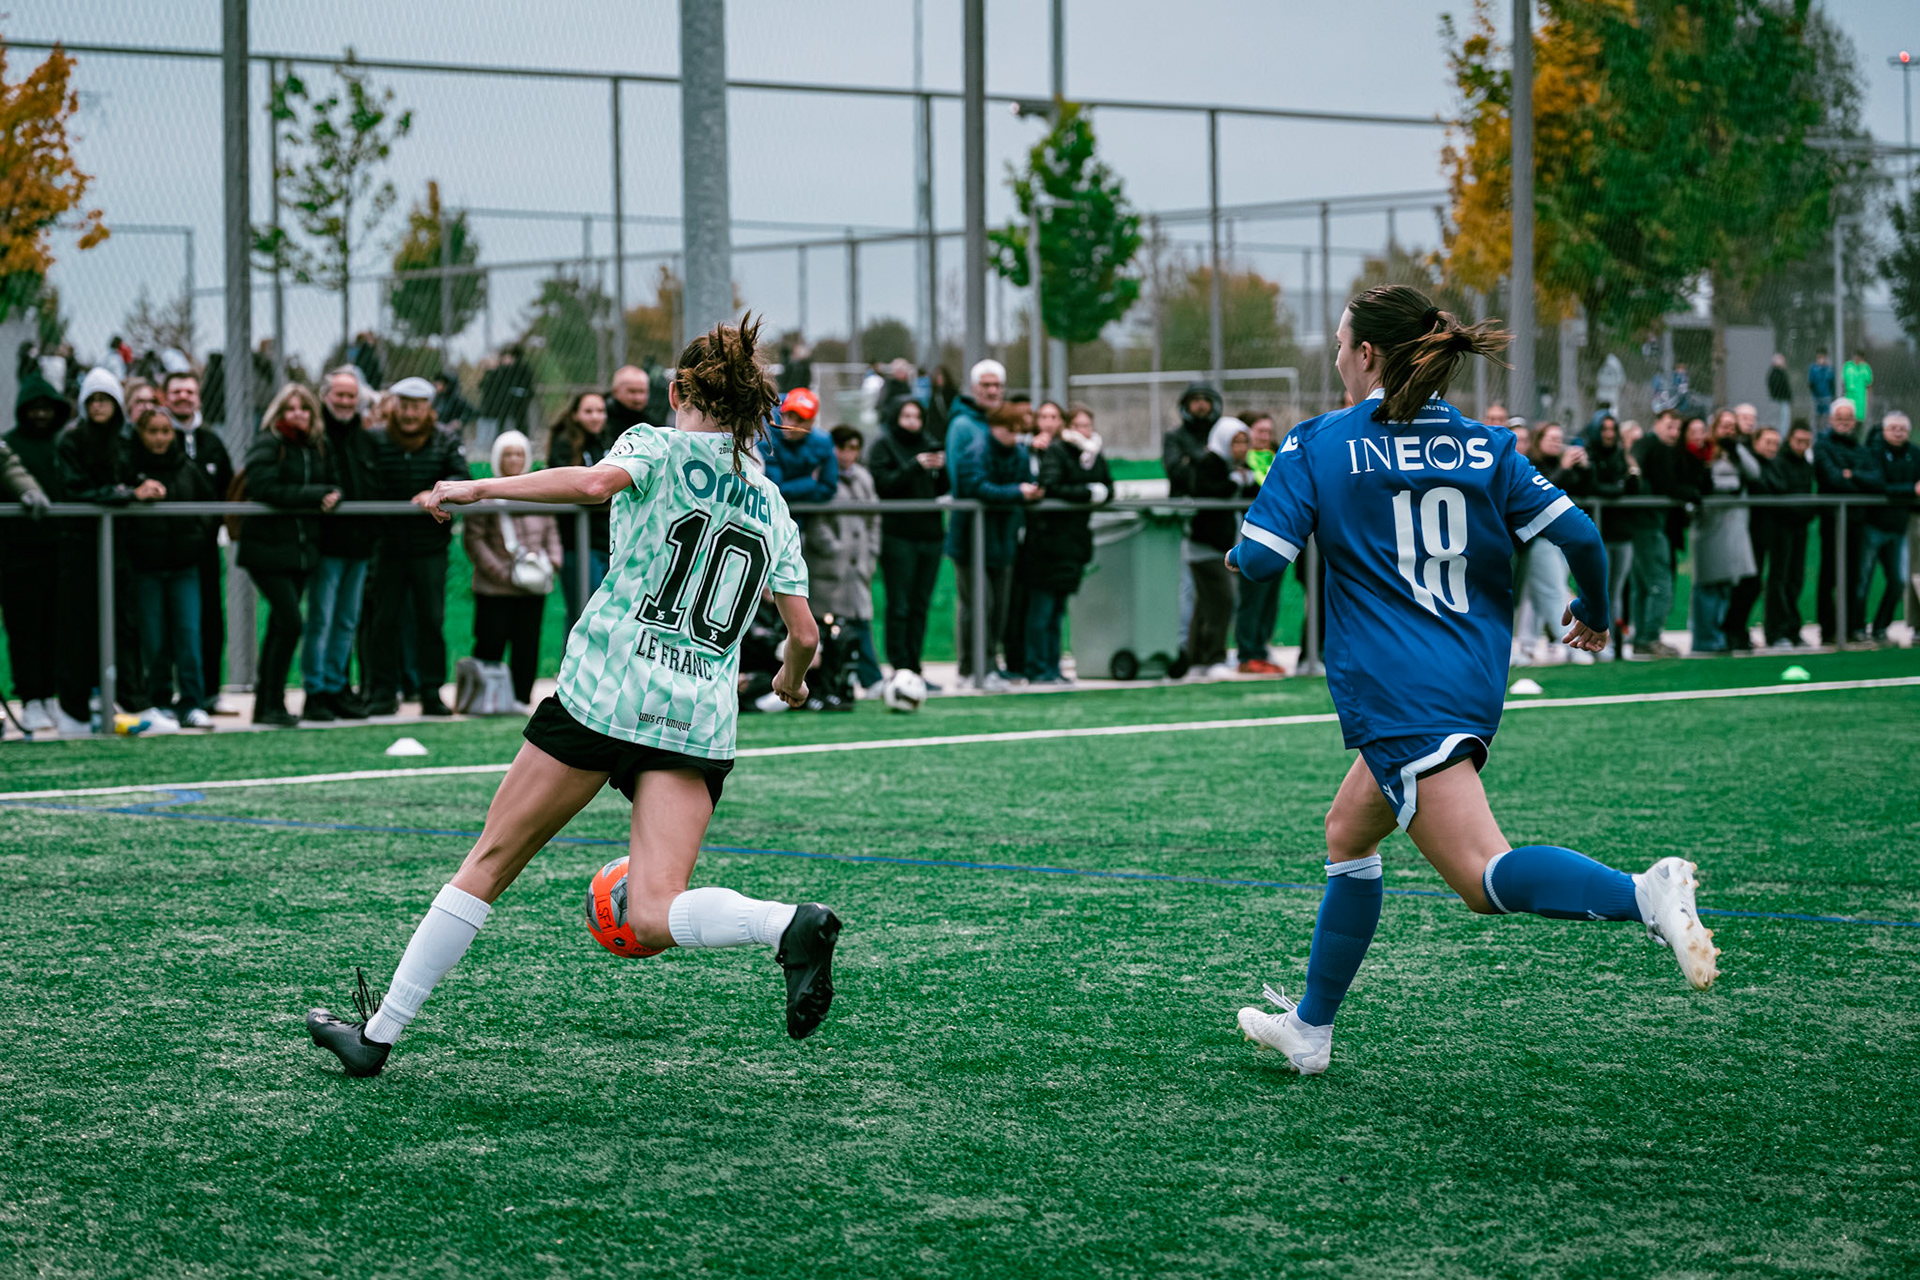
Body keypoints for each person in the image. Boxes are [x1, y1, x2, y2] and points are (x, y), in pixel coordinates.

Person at [305, 315, 840, 1078]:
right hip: (696, 717)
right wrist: (789, 678)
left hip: (606, 693)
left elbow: (592, 484)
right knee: (652, 914)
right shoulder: (772, 504)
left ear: (678, 389)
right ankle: (786, 924)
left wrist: (480, 485)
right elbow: (806, 636)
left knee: (489, 862)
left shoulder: (653, 443)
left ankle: (379, 1035)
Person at [1227, 285, 1718, 1076]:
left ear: (1366, 355)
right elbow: (1582, 534)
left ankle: (1645, 893)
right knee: (1347, 833)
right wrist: (1594, 610)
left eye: (1342, 347)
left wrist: (1234, 549)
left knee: (1483, 878)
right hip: (1468, 678)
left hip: (1397, 692)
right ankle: (1310, 1028)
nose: (1339, 361)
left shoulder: (1318, 442)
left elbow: (1259, 562)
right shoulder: (1486, 447)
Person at [364, 378, 470, 716]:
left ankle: (430, 691)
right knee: (383, 620)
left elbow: (461, 475)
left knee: (431, 619)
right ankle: (382, 691)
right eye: (404, 405)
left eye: (417, 406)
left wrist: (433, 491)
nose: (410, 414)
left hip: (429, 546)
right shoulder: (375, 438)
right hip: (385, 545)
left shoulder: (445, 439)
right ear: (394, 406)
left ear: (428, 409)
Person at [236, 384, 339, 727]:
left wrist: (331, 494)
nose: (298, 414)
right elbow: (264, 488)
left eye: (304, 408)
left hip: (300, 552)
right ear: (279, 413)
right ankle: (270, 700)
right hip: (265, 550)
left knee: (282, 626)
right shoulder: (268, 443)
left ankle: (268, 705)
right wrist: (315, 495)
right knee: (292, 622)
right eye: (291, 408)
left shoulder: (317, 447)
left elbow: (333, 483)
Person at [56, 370, 152, 721]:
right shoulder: (71, 441)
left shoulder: (125, 442)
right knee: (80, 626)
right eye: (93, 400)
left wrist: (144, 486)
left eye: (105, 400)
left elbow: (131, 477)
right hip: (81, 547)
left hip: (120, 547)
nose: (99, 406)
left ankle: (130, 701)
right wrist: (124, 496)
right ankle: (76, 708)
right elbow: (74, 489)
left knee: (125, 622)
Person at [120, 406, 219, 726]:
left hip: (183, 568)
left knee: (189, 636)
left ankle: (192, 702)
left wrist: (194, 540)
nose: (160, 438)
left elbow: (209, 508)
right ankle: (160, 700)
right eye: (153, 431)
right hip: (146, 569)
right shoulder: (130, 468)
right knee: (154, 639)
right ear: (141, 434)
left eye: (166, 431)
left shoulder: (187, 468)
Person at [464, 430, 563, 706]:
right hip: (495, 586)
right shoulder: (486, 494)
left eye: (519, 453)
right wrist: (500, 571)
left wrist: (553, 561)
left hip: (533, 583)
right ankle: (485, 699)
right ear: (497, 458)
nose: (514, 459)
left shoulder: (539, 493)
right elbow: (475, 539)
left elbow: (551, 530)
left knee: (527, 643)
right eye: (508, 454)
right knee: (490, 640)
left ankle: (521, 696)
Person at [303, 369, 379, 721]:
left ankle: (337, 686)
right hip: (327, 545)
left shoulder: (365, 438)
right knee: (321, 618)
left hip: (359, 545)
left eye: (351, 396)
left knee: (347, 620)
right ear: (326, 396)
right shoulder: (316, 438)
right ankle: (315, 690)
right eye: (339, 396)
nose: (346, 402)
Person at [161, 371, 235, 712]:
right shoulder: (158, 438)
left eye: (189, 391)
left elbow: (227, 491)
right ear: (165, 397)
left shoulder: (211, 442)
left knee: (209, 620)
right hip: (164, 549)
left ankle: (208, 693)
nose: (183, 397)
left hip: (203, 548)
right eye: (176, 391)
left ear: (198, 398)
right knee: (169, 624)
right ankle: (169, 694)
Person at [1026, 403, 1113, 683]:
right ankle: (1038, 667)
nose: (1082, 431)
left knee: (1057, 610)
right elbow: (1051, 485)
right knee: (1042, 610)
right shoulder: (1057, 451)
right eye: (1077, 425)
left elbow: (1108, 486)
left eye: (1086, 425)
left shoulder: (1093, 455)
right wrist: (1085, 492)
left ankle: (1053, 667)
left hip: (1074, 543)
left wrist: (1099, 492)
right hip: (1049, 542)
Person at [3, 371, 70, 732]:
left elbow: (8, 467)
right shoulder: (11, 441)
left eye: (47, 408)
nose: (41, 415)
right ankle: (29, 697)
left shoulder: (62, 446)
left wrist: (30, 492)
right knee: (25, 630)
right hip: (17, 556)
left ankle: (49, 696)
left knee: (54, 630)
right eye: (34, 408)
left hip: (56, 554)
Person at [866, 394, 947, 683]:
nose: (913, 422)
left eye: (917, 416)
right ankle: (900, 668)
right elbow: (883, 485)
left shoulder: (929, 442)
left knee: (919, 605)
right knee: (899, 605)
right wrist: (914, 465)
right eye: (907, 416)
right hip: (898, 535)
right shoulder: (883, 445)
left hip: (931, 535)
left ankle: (915, 667)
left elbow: (943, 487)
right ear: (896, 417)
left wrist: (943, 465)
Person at [804, 425, 882, 692]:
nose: (848, 454)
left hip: (858, 565)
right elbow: (815, 518)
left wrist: (870, 552)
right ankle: (830, 680)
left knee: (860, 620)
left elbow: (874, 519)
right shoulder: (822, 475)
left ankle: (870, 678)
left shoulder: (863, 477)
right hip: (829, 567)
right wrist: (833, 547)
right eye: (842, 448)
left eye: (854, 448)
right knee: (829, 623)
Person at [944, 359, 1006, 680]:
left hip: (999, 528)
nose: (992, 391)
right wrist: (1009, 491)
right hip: (969, 527)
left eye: (997, 385)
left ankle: (990, 663)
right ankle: (973, 667)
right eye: (986, 385)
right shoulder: (963, 425)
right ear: (974, 388)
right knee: (976, 602)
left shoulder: (999, 423)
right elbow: (965, 480)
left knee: (997, 603)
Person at [1513, 423, 1591, 665]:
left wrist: (1584, 468)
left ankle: (1525, 647)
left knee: (1535, 596)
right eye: (1551, 438)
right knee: (1551, 592)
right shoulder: (1530, 465)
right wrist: (1564, 468)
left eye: (1560, 438)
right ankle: (1571, 643)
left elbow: (1586, 488)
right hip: (1531, 540)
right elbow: (1542, 495)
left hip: (1551, 540)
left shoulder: (1553, 463)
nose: (1557, 443)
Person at [1185, 416, 1257, 677]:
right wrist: (1233, 482)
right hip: (1205, 547)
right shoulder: (1210, 463)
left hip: (1224, 545)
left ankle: (1196, 659)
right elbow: (1206, 492)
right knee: (1222, 600)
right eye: (1235, 442)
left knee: (1207, 604)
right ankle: (1213, 657)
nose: (1241, 448)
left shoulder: (1241, 467)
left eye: (1244, 442)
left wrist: (1247, 480)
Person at [1688, 409, 1761, 654]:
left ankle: (1721, 636)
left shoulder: (1738, 452)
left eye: (1733, 426)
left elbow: (1754, 473)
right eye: (1724, 426)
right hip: (1710, 528)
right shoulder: (1705, 451)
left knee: (1727, 585)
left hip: (1735, 529)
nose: (1729, 430)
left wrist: (1737, 449)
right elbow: (1703, 482)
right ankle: (1705, 640)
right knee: (1708, 585)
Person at [1567, 413, 1638, 649]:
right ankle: (1587, 641)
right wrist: (1614, 487)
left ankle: (1611, 643)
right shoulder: (1589, 455)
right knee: (1595, 592)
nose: (1609, 434)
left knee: (1615, 592)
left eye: (1612, 429)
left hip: (1622, 533)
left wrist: (1630, 478)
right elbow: (1592, 487)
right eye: (1604, 429)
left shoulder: (1621, 455)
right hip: (1598, 535)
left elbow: (1629, 489)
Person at [1813, 399, 1879, 645]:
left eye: (1848, 418)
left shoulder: (1861, 449)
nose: (1843, 422)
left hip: (1856, 521)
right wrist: (1854, 479)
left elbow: (1876, 480)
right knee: (1829, 575)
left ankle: (1852, 626)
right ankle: (1828, 629)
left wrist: (1852, 474)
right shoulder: (1822, 445)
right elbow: (1832, 478)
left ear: (1854, 421)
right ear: (1831, 420)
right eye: (1839, 418)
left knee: (1853, 575)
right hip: (1832, 520)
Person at [1626, 410, 1691, 658]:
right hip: (1647, 525)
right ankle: (1649, 638)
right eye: (1669, 426)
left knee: (1644, 586)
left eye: (1677, 428)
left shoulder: (1664, 449)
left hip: (1651, 525)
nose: (1674, 432)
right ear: (1657, 424)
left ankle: (1642, 638)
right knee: (1659, 585)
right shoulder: (1649, 445)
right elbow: (1661, 484)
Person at [546, 390, 615, 625]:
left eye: (600, 411)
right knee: (583, 615)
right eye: (589, 411)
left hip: (608, 540)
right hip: (578, 543)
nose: (596, 417)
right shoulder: (564, 444)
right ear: (575, 415)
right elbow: (575, 488)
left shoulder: (610, 442)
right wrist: (605, 495)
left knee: (606, 616)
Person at [1233, 413, 1284, 673]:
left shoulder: (1280, 457)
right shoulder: (1240, 461)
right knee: (1251, 596)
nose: (1264, 436)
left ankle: (1262, 649)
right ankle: (1247, 652)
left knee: (1270, 597)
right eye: (1259, 431)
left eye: (1268, 431)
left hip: (1279, 538)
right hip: (1251, 537)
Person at [1759, 421, 1816, 647]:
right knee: (1778, 580)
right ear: (1789, 439)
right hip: (1781, 529)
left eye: (1806, 442)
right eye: (1798, 441)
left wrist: (1806, 512)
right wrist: (1801, 509)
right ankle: (1776, 632)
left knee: (1795, 580)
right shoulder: (1779, 462)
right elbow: (1780, 495)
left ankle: (1793, 629)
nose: (1802, 446)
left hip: (1800, 529)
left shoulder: (1806, 464)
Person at [1860, 411, 1915, 643]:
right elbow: (1879, 485)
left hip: (1898, 527)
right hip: (1873, 526)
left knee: (1899, 580)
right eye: (1893, 428)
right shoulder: (1873, 452)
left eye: (1902, 429)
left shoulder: (1915, 454)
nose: (1898, 432)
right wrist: (1910, 489)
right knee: (1863, 580)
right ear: (1884, 431)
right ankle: (1856, 628)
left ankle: (1881, 626)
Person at [1726, 426, 1782, 651]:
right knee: (1746, 585)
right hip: (1745, 534)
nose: (1772, 448)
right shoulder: (1750, 464)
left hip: (1764, 534)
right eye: (1767, 442)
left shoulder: (1775, 465)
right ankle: (1732, 631)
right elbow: (1762, 486)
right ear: (1756, 442)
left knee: (1754, 584)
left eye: (1776, 444)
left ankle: (1738, 631)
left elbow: (1781, 486)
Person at [764, 387, 838, 511]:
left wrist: (790, 489)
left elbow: (828, 489)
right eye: (788, 416)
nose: (791, 423)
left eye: (800, 419)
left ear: (811, 422)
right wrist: (810, 481)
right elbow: (774, 491)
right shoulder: (768, 440)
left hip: (810, 517)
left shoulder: (823, 443)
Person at [475, 346, 534, 451]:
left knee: (519, 425)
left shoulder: (522, 369)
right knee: (500, 427)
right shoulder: (499, 371)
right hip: (501, 405)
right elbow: (485, 386)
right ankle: (498, 446)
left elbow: (528, 386)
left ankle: (522, 445)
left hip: (518, 404)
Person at [607, 365, 653, 434]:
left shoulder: (651, 423)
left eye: (642, 391)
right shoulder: (604, 422)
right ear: (616, 391)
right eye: (632, 391)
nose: (638, 398)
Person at [431, 371, 475, 440]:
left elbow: (471, 412)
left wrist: (460, 421)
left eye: (440, 383)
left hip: (450, 435)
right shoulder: (437, 398)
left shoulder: (456, 399)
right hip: (436, 433)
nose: (436, 385)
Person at [1840, 350, 1872, 423]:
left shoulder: (1865, 368)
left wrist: (1869, 396)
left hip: (1861, 398)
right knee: (1848, 418)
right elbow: (1843, 381)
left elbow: (1869, 384)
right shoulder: (1848, 366)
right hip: (1849, 396)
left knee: (1859, 420)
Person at [1808, 350, 1836, 429]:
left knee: (1827, 416)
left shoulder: (1829, 369)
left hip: (1827, 396)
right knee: (1817, 416)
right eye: (1819, 358)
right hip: (1816, 397)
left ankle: (1827, 432)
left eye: (1823, 357)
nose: (1821, 360)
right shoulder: (1813, 369)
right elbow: (1811, 382)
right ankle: (1817, 433)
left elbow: (1831, 383)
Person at [1767, 354, 1793, 431]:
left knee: (1784, 421)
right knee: (1781, 422)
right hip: (1779, 401)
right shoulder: (1775, 374)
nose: (1783, 362)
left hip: (1783, 401)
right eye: (1781, 360)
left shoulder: (1781, 373)